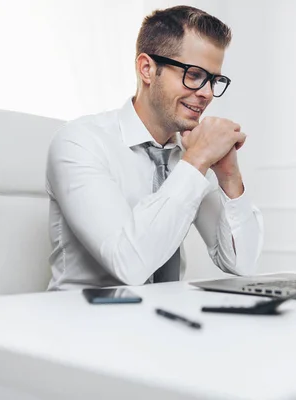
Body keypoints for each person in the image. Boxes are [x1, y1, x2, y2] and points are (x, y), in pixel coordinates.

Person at [45, 5, 264, 290]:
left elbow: (241, 264)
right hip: (87, 323)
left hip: (165, 321)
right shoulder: (79, 142)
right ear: (147, 69)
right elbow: (129, 264)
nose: (207, 93)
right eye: (194, 74)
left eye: (213, 79)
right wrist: (197, 161)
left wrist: (229, 176)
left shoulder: (189, 153)